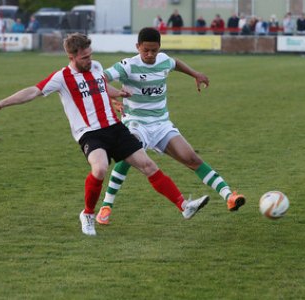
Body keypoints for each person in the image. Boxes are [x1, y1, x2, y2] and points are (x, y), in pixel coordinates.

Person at [0, 32, 210, 236]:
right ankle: (87, 214)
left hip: (115, 127)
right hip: (90, 133)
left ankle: (184, 206)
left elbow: (101, 87)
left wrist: (119, 93)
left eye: (90, 55)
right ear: (72, 56)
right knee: (100, 167)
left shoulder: (95, 68)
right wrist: (2, 103)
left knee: (148, 166)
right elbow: (32, 91)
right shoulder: (62, 77)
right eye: (84, 57)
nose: (89, 60)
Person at [96, 27, 246, 225]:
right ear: (137, 47)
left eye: (154, 50)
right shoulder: (127, 66)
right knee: (129, 153)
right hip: (136, 122)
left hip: (161, 124)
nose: (150, 55)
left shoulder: (163, 60)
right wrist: (115, 95)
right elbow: (98, 81)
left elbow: (176, 64)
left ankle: (229, 196)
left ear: (159, 48)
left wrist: (195, 74)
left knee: (191, 158)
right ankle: (106, 207)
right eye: (145, 50)